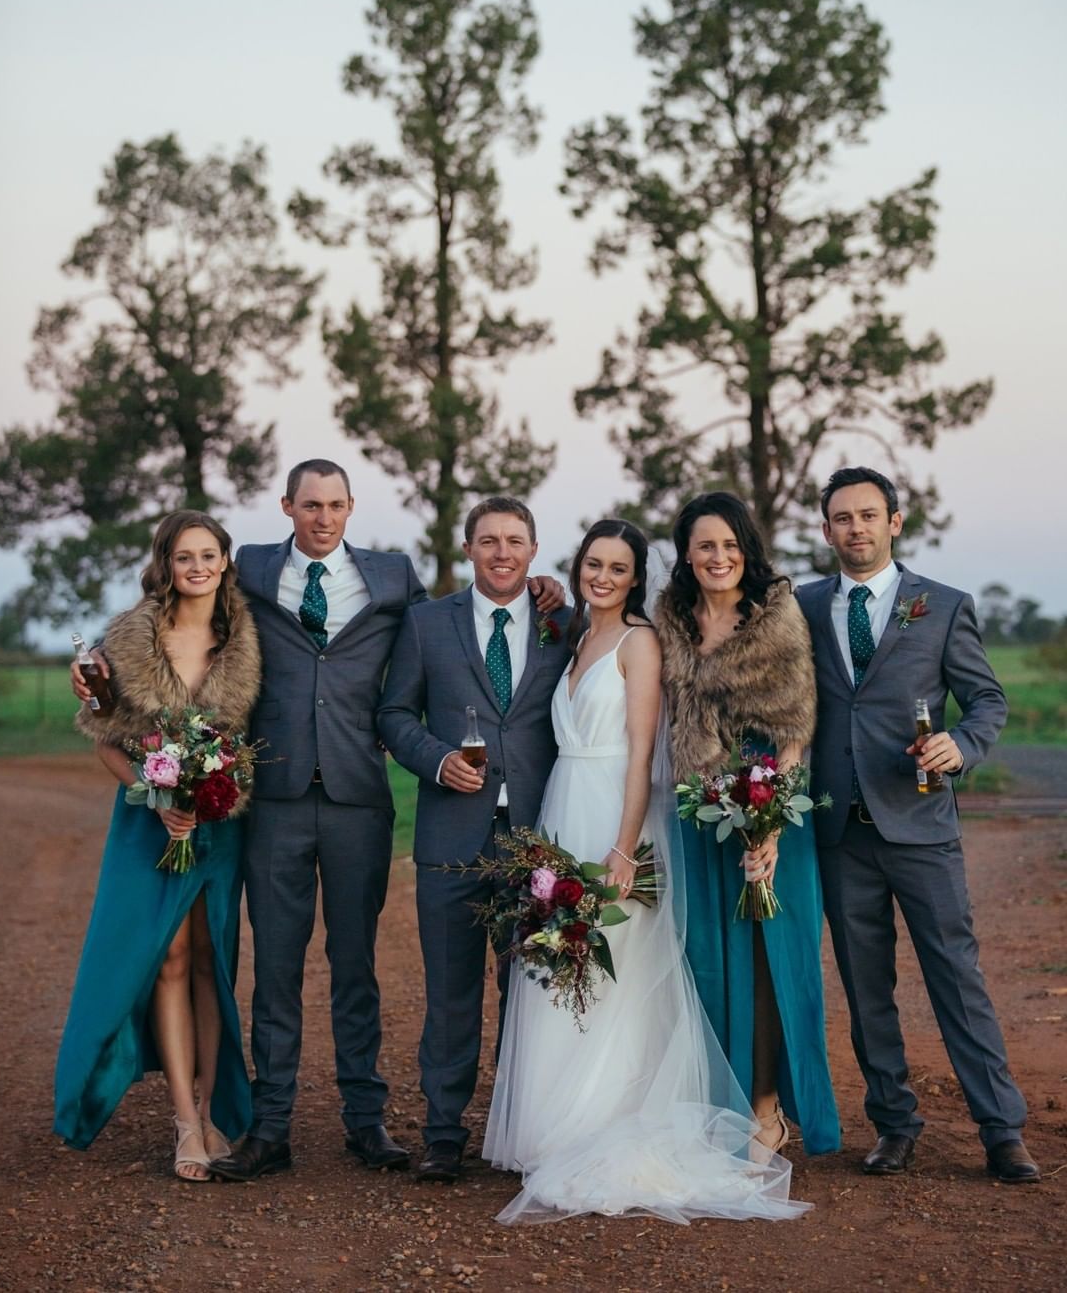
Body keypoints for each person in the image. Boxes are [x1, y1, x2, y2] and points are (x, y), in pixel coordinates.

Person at [73, 464, 564, 1180]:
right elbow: (176, 596)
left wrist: (544, 587)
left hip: (359, 799)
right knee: (275, 966)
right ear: (287, 507)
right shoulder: (251, 568)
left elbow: (457, 633)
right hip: (271, 797)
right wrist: (95, 666)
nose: (323, 517)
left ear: (351, 508)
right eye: (310, 505)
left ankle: (365, 1123)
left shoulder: (395, 579)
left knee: (357, 965)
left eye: (335, 505)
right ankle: (270, 1128)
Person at [482, 519, 808, 1224]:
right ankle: (554, 1127)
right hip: (564, 808)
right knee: (564, 964)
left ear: (638, 579)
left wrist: (625, 848)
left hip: (615, 817)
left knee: (617, 969)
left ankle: (612, 1120)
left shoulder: (640, 642)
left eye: (618, 567)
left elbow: (640, 754)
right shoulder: (573, 638)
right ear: (577, 571)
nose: (603, 576)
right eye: (593, 564)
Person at [796, 466, 1039, 1183]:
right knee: (865, 988)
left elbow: (986, 701)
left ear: (894, 521)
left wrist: (962, 745)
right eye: (842, 518)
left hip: (923, 824)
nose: (856, 528)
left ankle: (1002, 1130)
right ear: (826, 529)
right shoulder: (803, 608)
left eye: (868, 515)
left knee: (956, 979)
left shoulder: (943, 604)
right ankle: (894, 1125)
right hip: (840, 831)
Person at [55, 512, 262, 1181]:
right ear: (166, 564)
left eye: (208, 555)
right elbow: (104, 737)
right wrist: (157, 792)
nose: (197, 567)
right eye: (183, 557)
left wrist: (206, 798)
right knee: (167, 958)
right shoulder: (132, 636)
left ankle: (210, 1108)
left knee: (209, 959)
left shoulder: (245, 638)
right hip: (149, 824)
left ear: (226, 561)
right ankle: (185, 1122)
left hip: (220, 824)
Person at [377, 497, 573, 1183]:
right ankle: (442, 1132)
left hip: (538, 838)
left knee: (530, 990)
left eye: (515, 541)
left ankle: (522, 1127)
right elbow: (393, 710)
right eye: (488, 541)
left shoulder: (563, 623)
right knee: (451, 991)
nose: (502, 553)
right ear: (468, 549)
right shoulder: (427, 623)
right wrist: (435, 758)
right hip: (451, 836)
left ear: (533, 548)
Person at [655, 493, 841, 1157]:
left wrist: (770, 823)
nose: (719, 557)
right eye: (706, 545)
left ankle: (768, 1114)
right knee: (709, 959)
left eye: (731, 545)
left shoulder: (776, 615)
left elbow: (793, 729)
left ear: (748, 550)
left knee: (768, 963)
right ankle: (724, 1107)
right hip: (698, 811)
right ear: (685, 553)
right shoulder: (670, 618)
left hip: (768, 806)